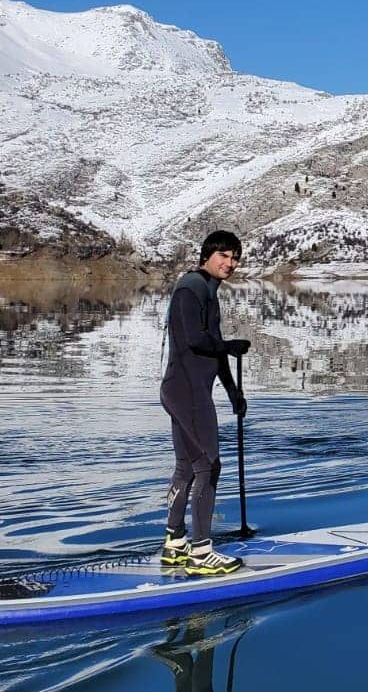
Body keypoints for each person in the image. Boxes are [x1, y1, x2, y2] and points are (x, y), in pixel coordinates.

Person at [159, 230, 251, 576]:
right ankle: (201, 553)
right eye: (224, 255)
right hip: (188, 392)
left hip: (187, 390)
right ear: (207, 255)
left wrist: (232, 392)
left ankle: (175, 543)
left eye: (235, 257)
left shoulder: (207, 291)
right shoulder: (191, 287)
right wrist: (229, 346)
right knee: (208, 467)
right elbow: (194, 339)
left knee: (186, 468)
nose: (230, 263)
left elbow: (213, 346)